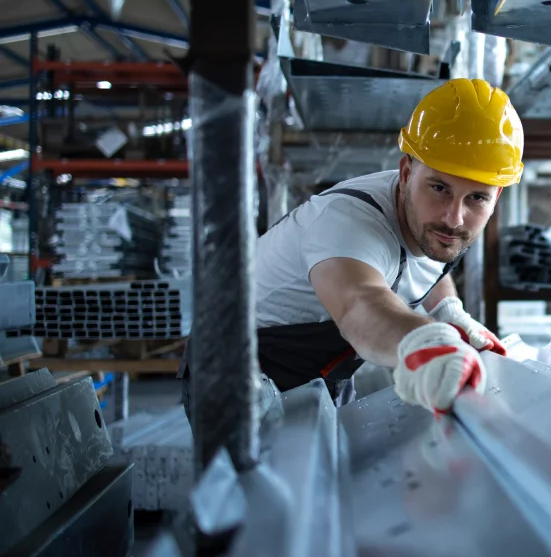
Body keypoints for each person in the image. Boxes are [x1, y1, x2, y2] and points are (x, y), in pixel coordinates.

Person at [179, 78, 524, 417]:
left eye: (477, 197)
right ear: (406, 173)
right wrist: (424, 341)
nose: (454, 218)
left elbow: (429, 267)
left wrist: (448, 310)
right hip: (236, 369)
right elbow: (359, 305)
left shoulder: (432, 225)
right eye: (439, 188)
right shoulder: (347, 224)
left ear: (497, 197)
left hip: (321, 369)